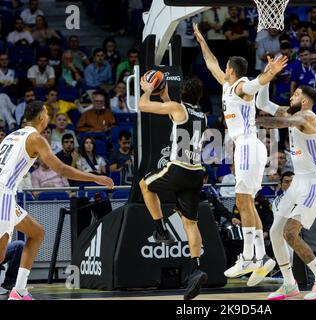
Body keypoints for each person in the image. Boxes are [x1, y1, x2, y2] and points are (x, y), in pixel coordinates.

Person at [194, 23, 288, 286]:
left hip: (247, 145)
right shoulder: (227, 84)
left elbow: (255, 84)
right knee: (248, 202)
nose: (222, 70)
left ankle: (248, 257)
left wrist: (269, 74)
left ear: (232, 71)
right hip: (249, 146)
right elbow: (211, 63)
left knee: (243, 201)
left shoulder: (241, 86)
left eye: (226, 68)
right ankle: (261, 258)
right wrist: (202, 41)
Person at [0, 101, 113, 300]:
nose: (49, 117)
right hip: (3, 195)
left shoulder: (12, 135)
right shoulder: (36, 138)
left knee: (37, 233)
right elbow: (61, 169)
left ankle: (19, 290)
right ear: (42, 118)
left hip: (6, 195)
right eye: (47, 113)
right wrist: (95, 177)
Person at [256, 85, 316, 300]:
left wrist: (252, 123)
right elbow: (262, 103)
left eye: (296, 94)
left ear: (304, 101)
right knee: (275, 231)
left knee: (290, 233)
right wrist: (267, 78)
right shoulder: (292, 113)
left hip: (314, 183)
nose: (291, 95)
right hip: (299, 182)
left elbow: (281, 122)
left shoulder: (307, 118)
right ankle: (289, 284)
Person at [138, 77, 208, 300]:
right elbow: (174, 111)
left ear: (182, 94)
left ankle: (160, 231)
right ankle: (196, 267)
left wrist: (149, 90)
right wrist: (165, 93)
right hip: (197, 173)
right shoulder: (202, 116)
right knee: (190, 223)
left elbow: (143, 105)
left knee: (145, 185)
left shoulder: (177, 107)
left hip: (178, 168)